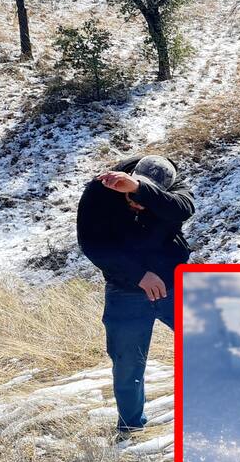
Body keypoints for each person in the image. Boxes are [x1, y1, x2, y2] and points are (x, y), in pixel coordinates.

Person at [77, 154, 195, 434]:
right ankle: (131, 429)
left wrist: (141, 191)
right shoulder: (99, 191)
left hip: (173, 284)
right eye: (131, 198)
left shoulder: (174, 186)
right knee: (128, 364)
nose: (138, 205)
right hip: (126, 292)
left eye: (145, 199)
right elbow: (92, 244)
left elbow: (183, 208)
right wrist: (139, 275)